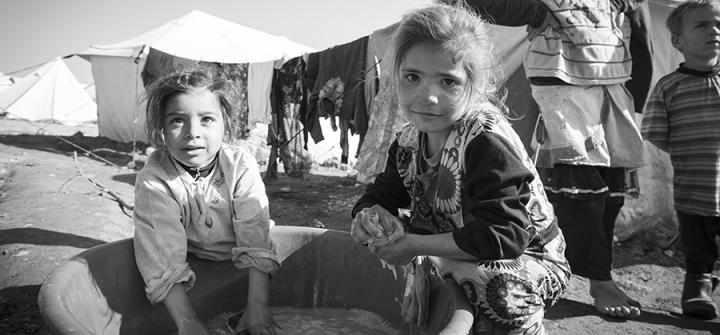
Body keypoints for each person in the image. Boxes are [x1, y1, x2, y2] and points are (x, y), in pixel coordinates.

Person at [350, 4, 571, 334]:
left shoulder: (484, 139)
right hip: (469, 250)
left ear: (475, 85)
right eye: (413, 77)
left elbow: (504, 235)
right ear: (396, 77)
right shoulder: (409, 140)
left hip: (528, 261)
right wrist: (367, 218)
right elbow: (381, 193)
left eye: (448, 82)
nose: (428, 97)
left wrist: (415, 248)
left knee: (496, 289)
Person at [443, 0, 653, 319]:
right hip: (563, 92)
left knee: (611, 197)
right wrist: (537, 11)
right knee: (579, 195)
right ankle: (537, 264)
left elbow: (639, 23)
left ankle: (600, 279)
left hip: (613, 87)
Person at [132, 65, 280, 335]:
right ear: (160, 128)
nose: (192, 132)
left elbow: (255, 234)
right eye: (177, 120)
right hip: (194, 261)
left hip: (245, 265)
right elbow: (161, 256)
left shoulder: (239, 166)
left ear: (226, 124)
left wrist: (258, 306)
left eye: (207, 119)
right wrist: (188, 323)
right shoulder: (155, 179)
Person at [641, 0, 720, 319]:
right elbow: (656, 133)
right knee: (697, 247)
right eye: (701, 25)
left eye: (717, 24)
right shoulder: (668, 87)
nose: (714, 30)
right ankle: (698, 286)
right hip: (692, 190)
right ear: (677, 41)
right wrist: (690, 151)